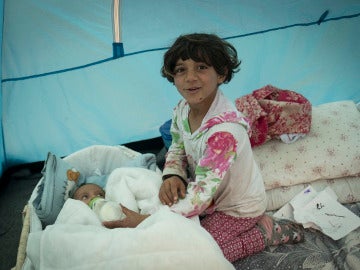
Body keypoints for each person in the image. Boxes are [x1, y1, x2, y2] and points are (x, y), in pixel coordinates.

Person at [104, 33, 304, 262]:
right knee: (178, 238)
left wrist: (148, 222)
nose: (190, 78)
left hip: (237, 209)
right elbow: (177, 145)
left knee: (200, 253)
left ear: (221, 73)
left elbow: (198, 198)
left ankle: (267, 233)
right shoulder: (182, 108)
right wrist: (173, 175)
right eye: (180, 69)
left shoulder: (225, 133)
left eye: (201, 67)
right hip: (207, 196)